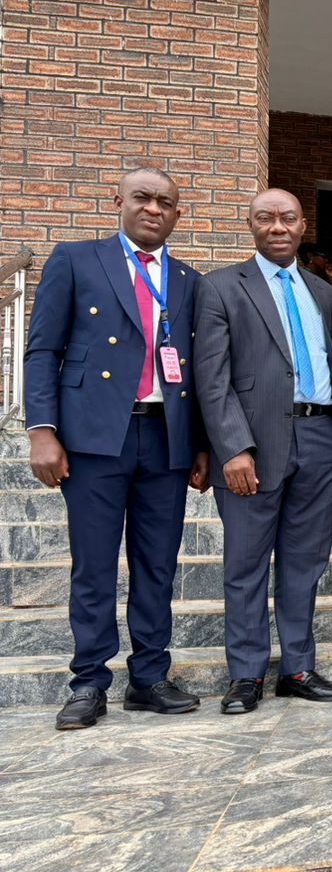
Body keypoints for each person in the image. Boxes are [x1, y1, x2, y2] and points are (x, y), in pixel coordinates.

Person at [25, 167, 209, 730]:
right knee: (95, 564)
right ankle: (88, 682)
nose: (154, 209)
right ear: (119, 202)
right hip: (94, 437)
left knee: (158, 564)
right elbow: (43, 350)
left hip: (165, 437)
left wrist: (202, 445)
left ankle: (149, 678)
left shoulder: (189, 279)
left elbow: (200, 370)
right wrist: (42, 429)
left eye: (166, 202)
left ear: (177, 214)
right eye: (143, 198)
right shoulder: (76, 259)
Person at [194, 189, 332, 715]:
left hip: (323, 438)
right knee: (246, 563)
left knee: (305, 563)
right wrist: (231, 448)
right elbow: (211, 377)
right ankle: (245, 674)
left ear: (302, 224)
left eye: (287, 218)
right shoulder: (221, 286)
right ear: (251, 224)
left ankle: (297, 668)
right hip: (255, 443)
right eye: (265, 218)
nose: (278, 226)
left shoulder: (324, 293)